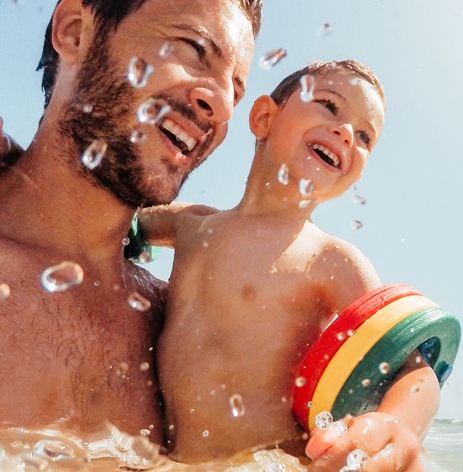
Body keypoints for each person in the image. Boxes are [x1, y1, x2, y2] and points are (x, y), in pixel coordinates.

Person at [0, 0, 425, 470]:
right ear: (73, 32)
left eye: (236, 89)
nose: (223, 107)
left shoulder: (162, 310)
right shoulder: (191, 240)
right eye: (193, 50)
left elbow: (401, 364)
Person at [138, 60, 438, 469]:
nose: (346, 133)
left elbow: (415, 369)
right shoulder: (191, 226)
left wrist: (394, 425)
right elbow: (114, 217)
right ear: (264, 117)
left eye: (365, 136)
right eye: (330, 106)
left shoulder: (330, 259)